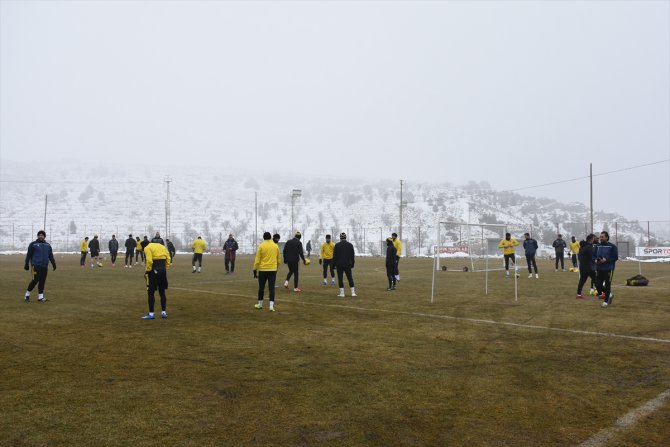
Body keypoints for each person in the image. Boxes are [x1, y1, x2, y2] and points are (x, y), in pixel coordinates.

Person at [141, 238, 171, 320]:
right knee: (162, 292)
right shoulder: (162, 247)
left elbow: (149, 261)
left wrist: (147, 271)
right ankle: (163, 312)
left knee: (150, 292)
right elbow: (168, 258)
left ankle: (151, 314)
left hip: (153, 270)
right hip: (163, 270)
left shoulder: (147, 248)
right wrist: (166, 267)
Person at [24, 230, 56, 303]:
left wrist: (53, 263)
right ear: (37, 236)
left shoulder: (48, 245)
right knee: (34, 281)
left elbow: (50, 255)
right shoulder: (33, 244)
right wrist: (26, 264)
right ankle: (27, 295)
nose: (41, 236)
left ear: (44, 237)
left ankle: (40, 297)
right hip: (35, 266)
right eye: (39, 235)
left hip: (44, 266)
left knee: (42, 281)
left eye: (42, 235)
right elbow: (29, 255)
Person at [253, 232, 281, 311]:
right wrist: (276, 268)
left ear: (263, 238)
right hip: (272, 270)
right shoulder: (275, 246)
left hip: (263, 270)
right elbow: (278, 260)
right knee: (272, 288)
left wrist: (255, 270)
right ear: (270, 237)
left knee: (261, 288)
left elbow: (257, 259)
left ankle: (260, 304)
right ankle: (271, 306)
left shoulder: (261, 246)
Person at [593, 231, 618, 308]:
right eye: (600, 237)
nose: (600, 238)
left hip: (609, 269)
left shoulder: (612, 246)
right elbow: (593, 256)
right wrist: (596, 260)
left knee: (607, 285)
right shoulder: (597, 246)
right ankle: (609, 294)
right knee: (597, 284)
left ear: (607, 237)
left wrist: (606, 260)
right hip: (599, 268)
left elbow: (615, 257)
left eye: (602, 237)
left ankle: (606, 301)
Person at [333, 232, 356, 297]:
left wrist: (333, 265)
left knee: (340, 279)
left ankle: (342, 293)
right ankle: (353, 293)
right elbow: (352, 256)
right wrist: (352, 264)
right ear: (346, 237)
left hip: (339, 265)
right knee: (350, 278)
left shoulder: (337, 245)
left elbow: (335, 256)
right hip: (347, 264)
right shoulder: (350, 245)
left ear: (340, 237)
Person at [576, 234, 597, 299]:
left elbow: (579, 257)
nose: (595, 240)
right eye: (594, 238)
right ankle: (603, 293)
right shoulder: (589, 247)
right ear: (591, 239)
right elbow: (593, 256)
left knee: (582, 280)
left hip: (582, 267)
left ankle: (578, 294)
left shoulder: (582, 247)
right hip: (588, 267)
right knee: (596, 280)